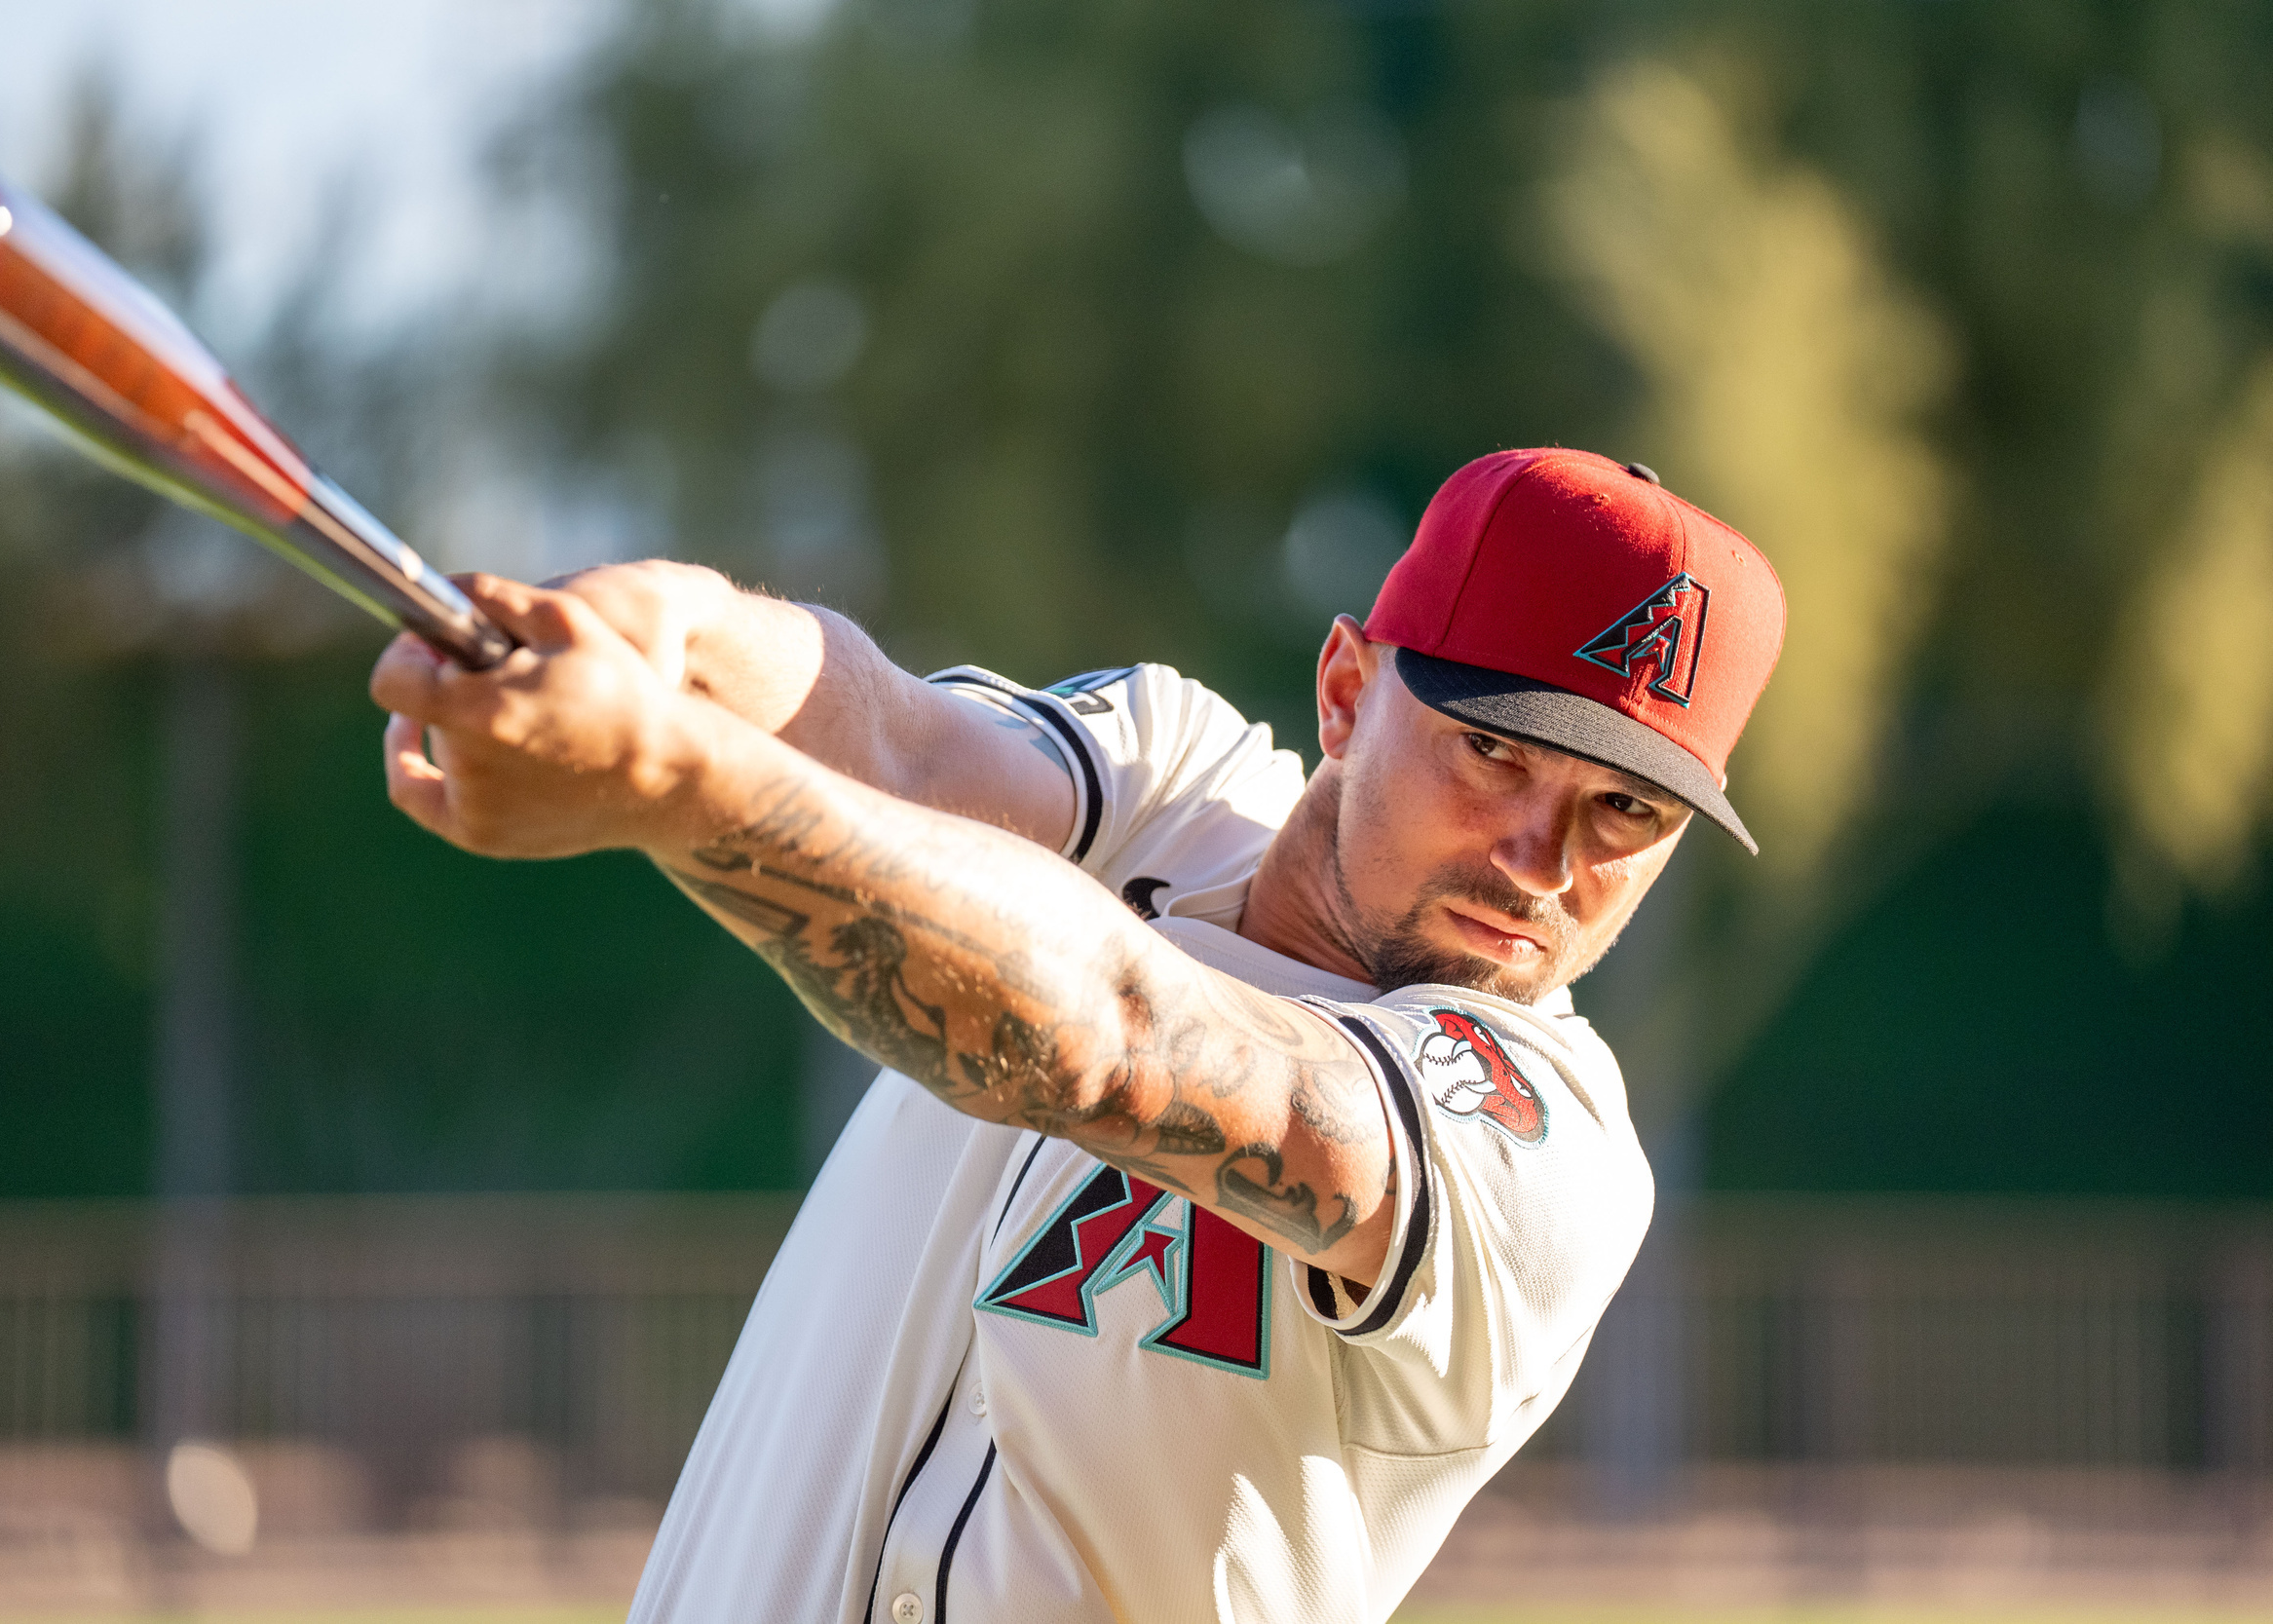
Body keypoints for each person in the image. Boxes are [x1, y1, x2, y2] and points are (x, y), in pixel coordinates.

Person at [368, 446, 1786, 1624]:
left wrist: (669, 774)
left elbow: (1111, 1039)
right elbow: (893, 741)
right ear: (1348, 694)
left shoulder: (1536, 1141)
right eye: (1497, 750)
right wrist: (661, 626)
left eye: (1627, 811)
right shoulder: (1172, 776)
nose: (1540, 854)